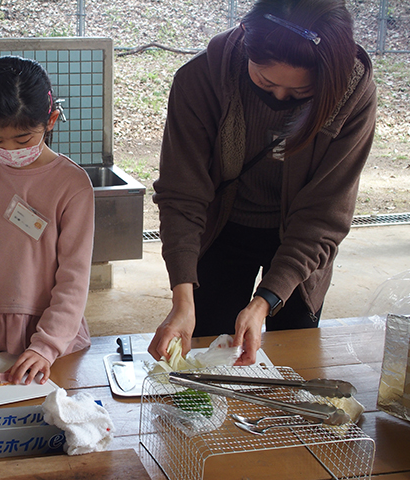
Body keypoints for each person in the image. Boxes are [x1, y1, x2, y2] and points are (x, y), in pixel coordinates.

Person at [148, 0, 377, 365]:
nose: (280, 98)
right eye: (266, 81)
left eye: (302, 93)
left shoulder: (352, 94)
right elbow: (182, 195)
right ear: (245, 42)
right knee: (209, 352)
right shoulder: (200, 79)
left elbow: (323, 216)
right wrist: (182, 300)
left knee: (294, 360)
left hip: (300, 241)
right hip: (222, 228)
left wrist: (263, 303)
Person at [0, 56, 94, 385]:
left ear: (50, 120)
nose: (9, 149)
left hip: (55, 336)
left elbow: (74, 277)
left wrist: (46, 346)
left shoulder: (72, 184)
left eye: (23, 140)